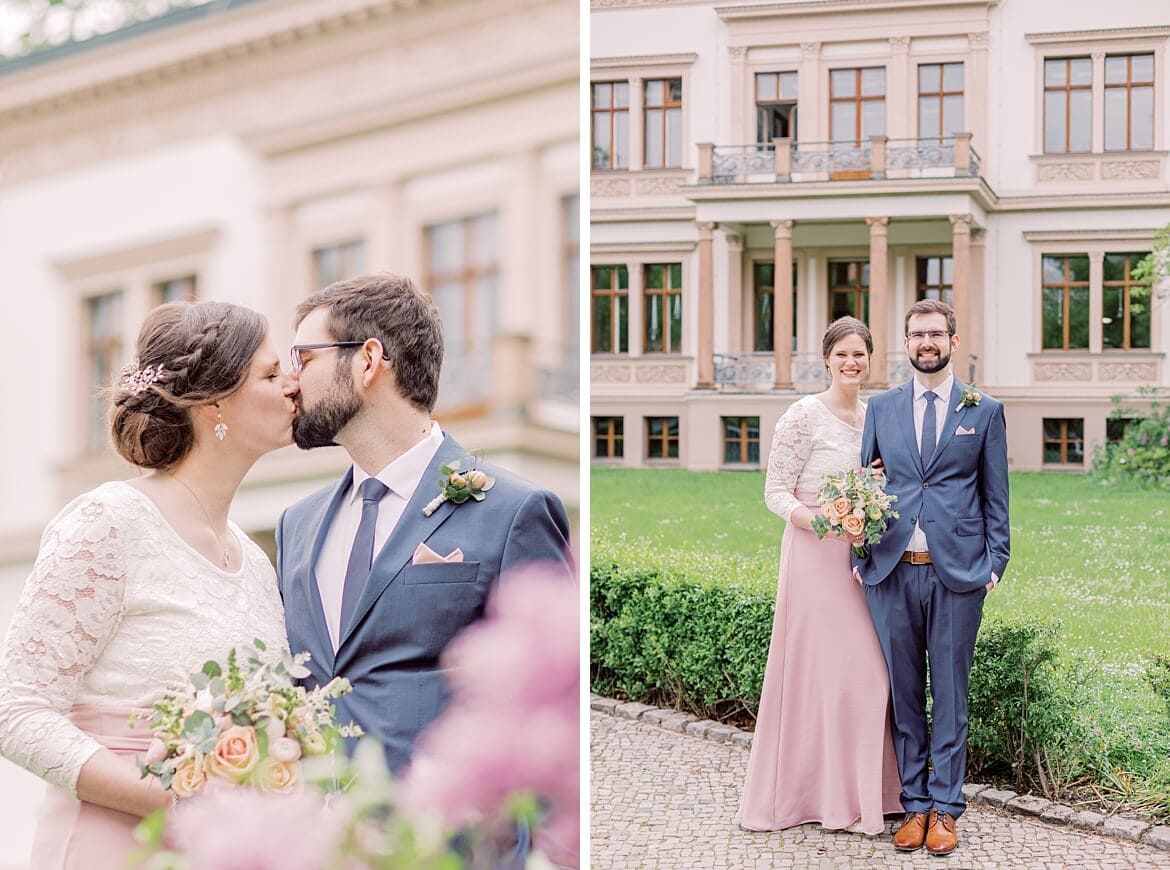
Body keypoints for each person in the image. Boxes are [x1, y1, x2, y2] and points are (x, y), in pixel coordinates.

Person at [275, 273, 572, 864]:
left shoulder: (512, 511)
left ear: (367, 361)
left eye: (303, 358)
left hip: (454, 849)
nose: (290, 380)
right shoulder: (295, 525)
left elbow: (552, 705)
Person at [0, 301, 295, 869]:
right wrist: (177, 796)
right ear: (213, 405)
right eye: (271, 373)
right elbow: (18, 709)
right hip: (113, 847)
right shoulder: (110, 522)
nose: (293, 385)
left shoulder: (255, 562)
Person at [853, 298, 1010, 856]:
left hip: (958, 575)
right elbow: (864, 486)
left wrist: (994, 566)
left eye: (935, 334)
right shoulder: (883, 409)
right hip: (892, 572)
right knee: (903, 694)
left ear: (952, 340)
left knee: (950, 694)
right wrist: (860, 557)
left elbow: (996, 497)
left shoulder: (983, 410)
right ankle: (914, 805)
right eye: (917, 334)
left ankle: (947, 808)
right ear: (907, 341)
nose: (926, 343)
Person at [740, 316, 903, 836]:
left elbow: (877, 476)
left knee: (867, 678)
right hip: (813, 555)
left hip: (860, 557)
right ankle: (812, 797)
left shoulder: (873, 415)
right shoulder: (802, 415)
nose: (851, 363)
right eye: (842, 354)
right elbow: (775, 493)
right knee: (821, 675)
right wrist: (825, 521)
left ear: (869, 360)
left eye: (860, 355)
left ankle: (865, 795)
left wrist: (868, 500)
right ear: (826, 358)